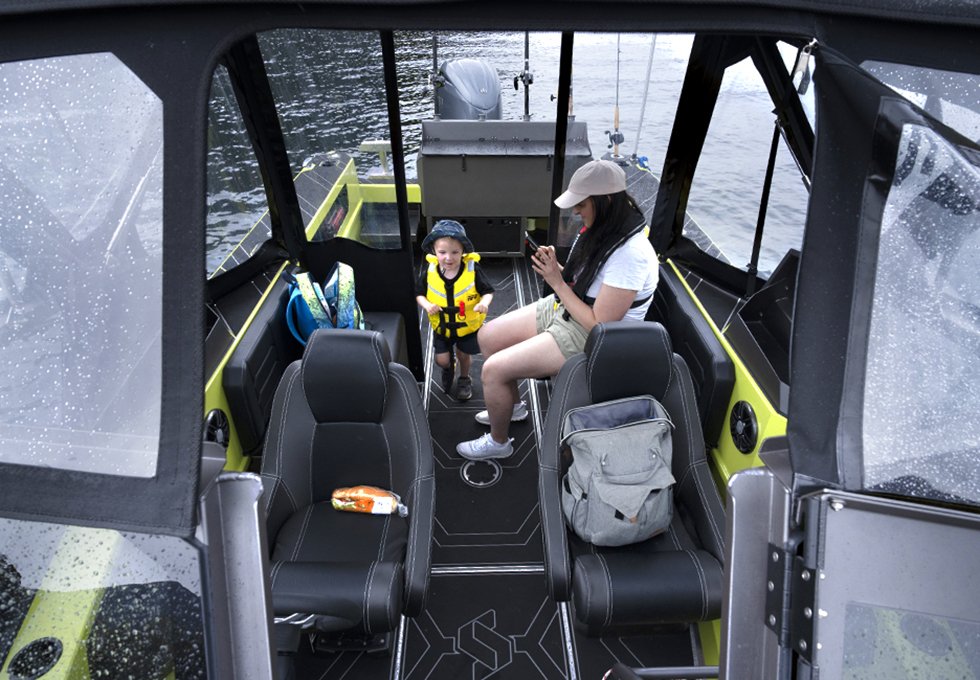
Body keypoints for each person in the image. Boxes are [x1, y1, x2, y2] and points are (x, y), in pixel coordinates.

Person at [456, 159, 659, 460]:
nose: (576, 211)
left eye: (581, 204)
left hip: (592, 334)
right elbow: (586, 285)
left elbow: (599, 325)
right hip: (572, 307)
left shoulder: (631, 254)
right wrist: (556, 270)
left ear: (605, 201)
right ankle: (512, 407)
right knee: (488, 336)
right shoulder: (604, 229)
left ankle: (499, 444)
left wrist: (556, 281)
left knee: (493, 370)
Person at [416, 219, 495, 401]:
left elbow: (488, 291)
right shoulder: (430, 271)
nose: (448, 258)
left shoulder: (473, 270)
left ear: (463, 251)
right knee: (442, 360)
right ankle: (448, 366)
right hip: (442, 327)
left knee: (463, 355)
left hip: (466, 326)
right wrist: (427, 305)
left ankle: (464, 378)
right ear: (434, 251)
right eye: (442, 252)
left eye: (455, 252)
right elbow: (418, 293)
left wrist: (484, 303)